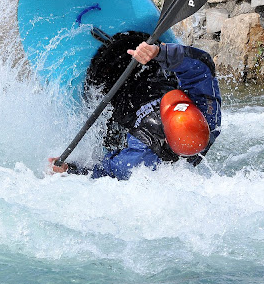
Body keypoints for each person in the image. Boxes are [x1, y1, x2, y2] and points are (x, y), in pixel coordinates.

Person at [49, 32, 222, 181]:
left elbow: (104, 173)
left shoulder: (140, 159)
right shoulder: (209, 117)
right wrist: (159, 53)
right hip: (157, 76)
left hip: (122, 99)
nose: (175, 99)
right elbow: (202, 66)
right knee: (168, 82)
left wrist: (69, 169)